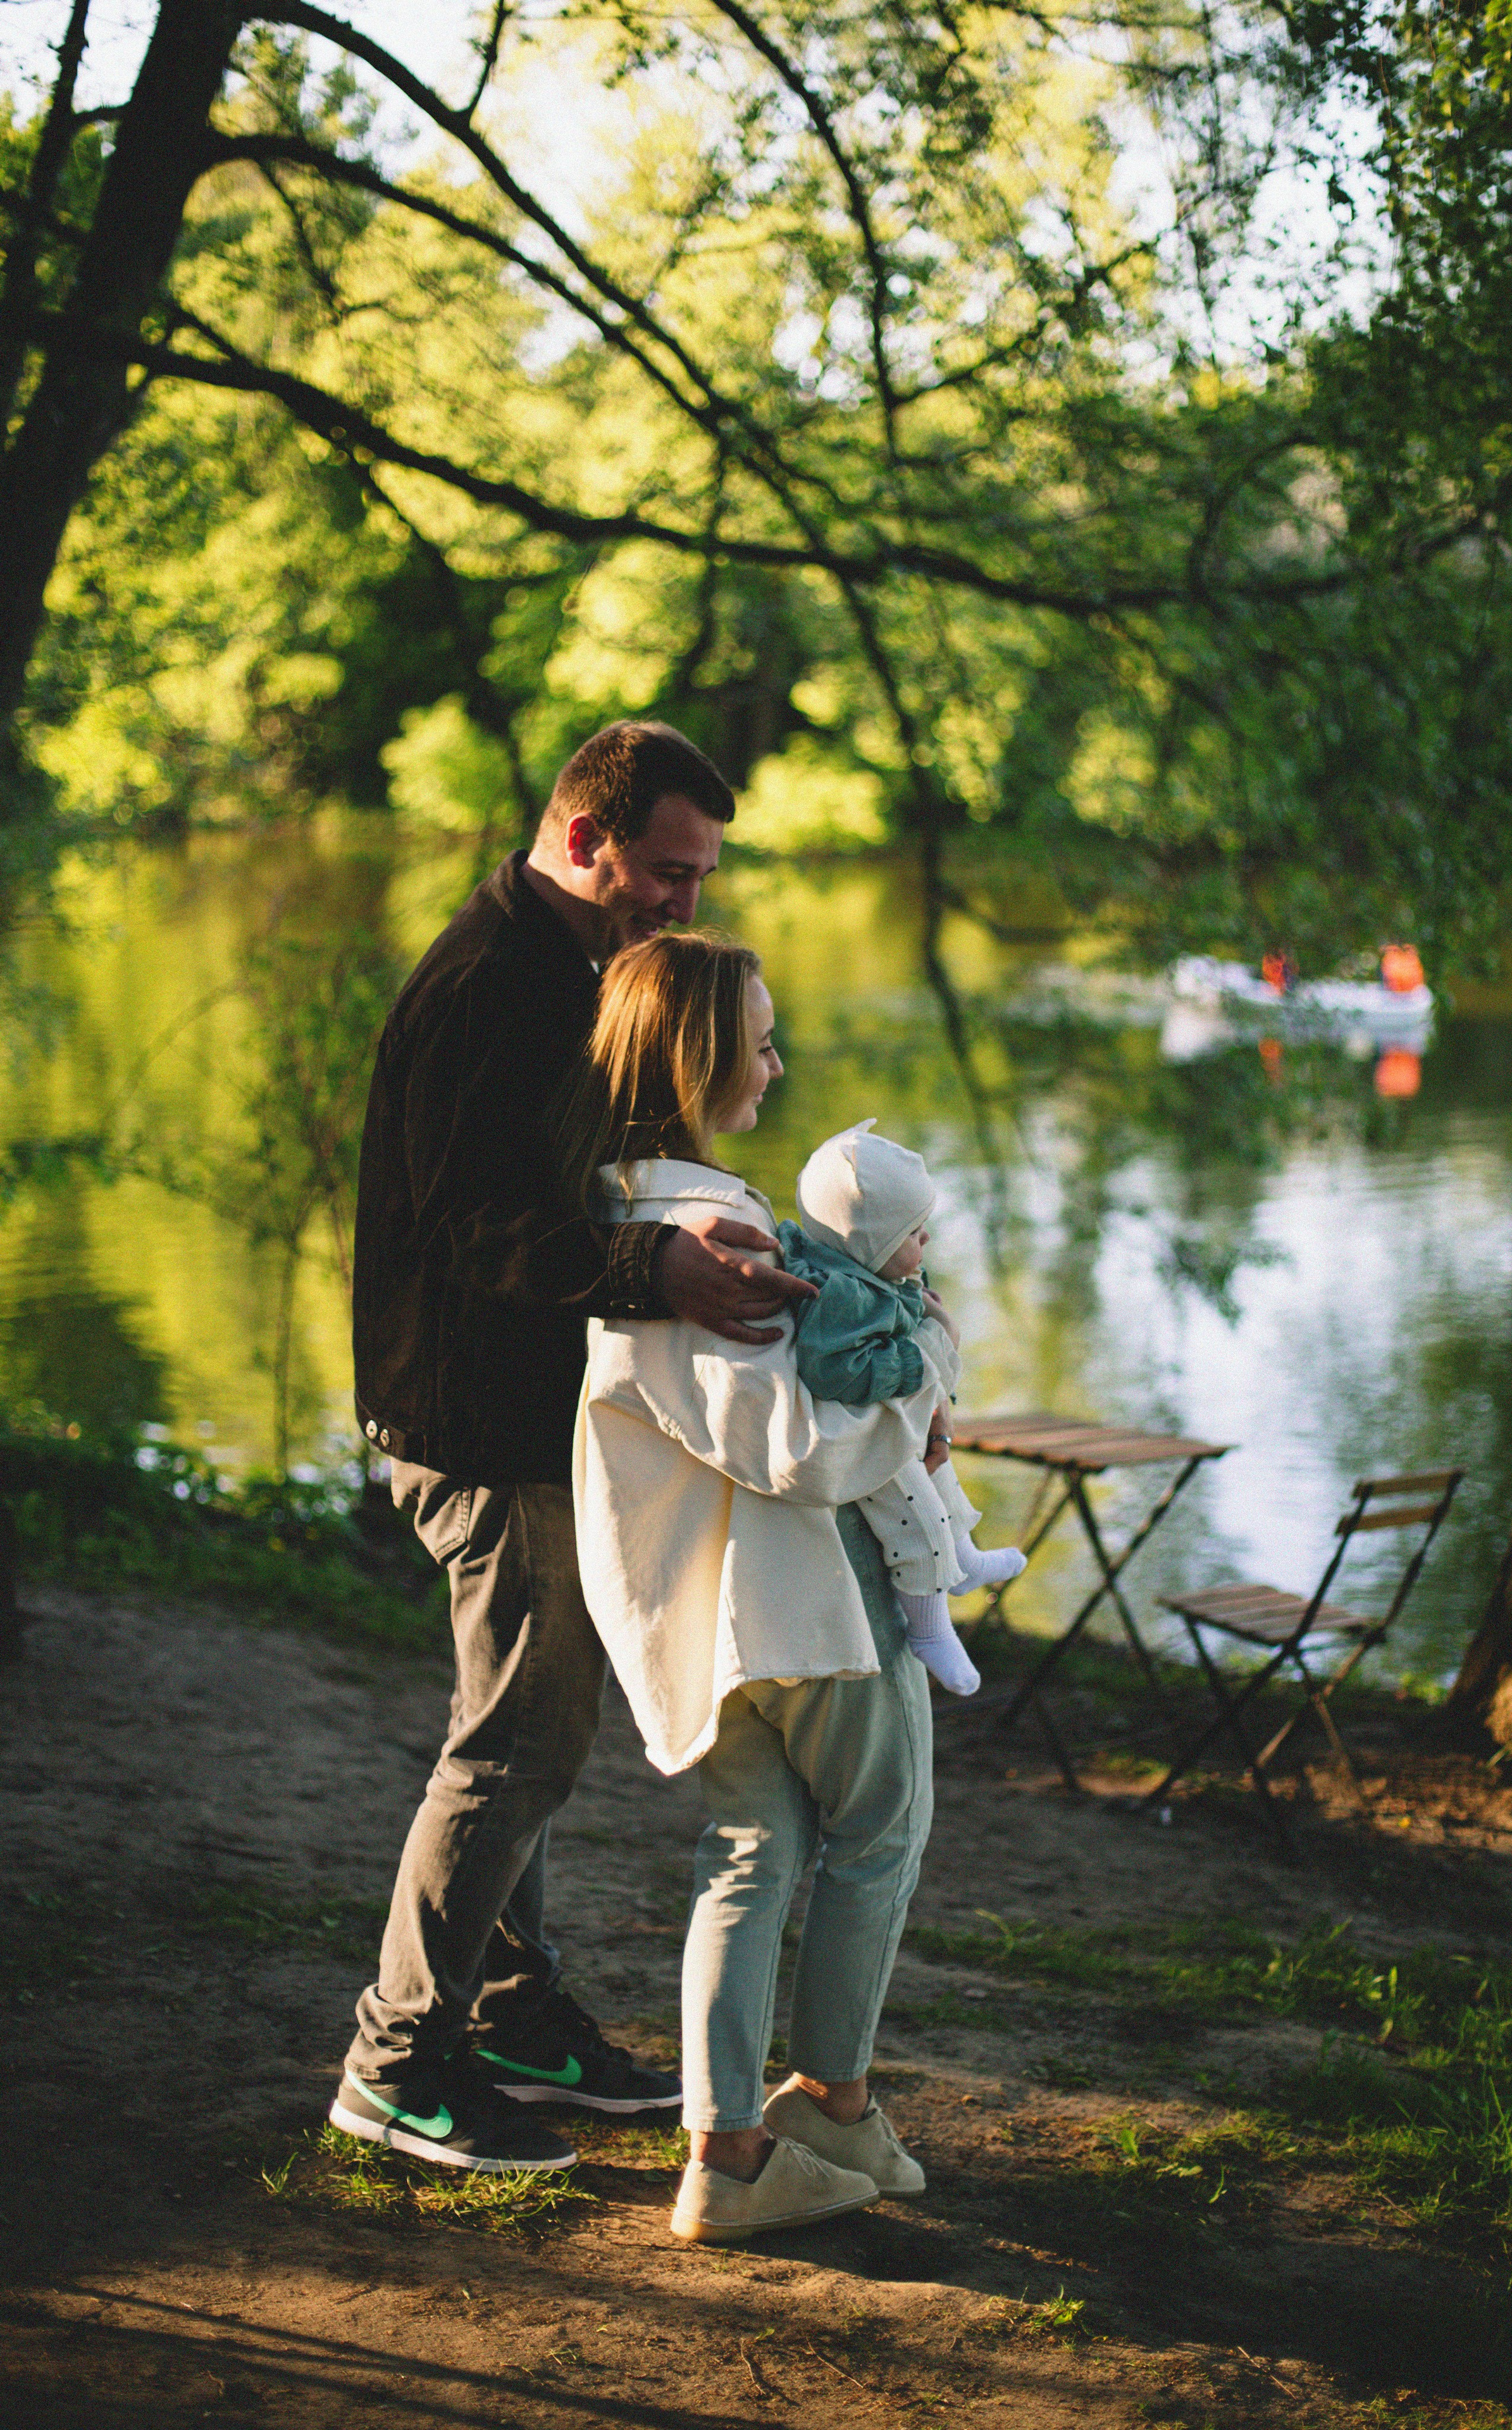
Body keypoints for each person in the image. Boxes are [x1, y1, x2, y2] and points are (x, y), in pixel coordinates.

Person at [330, 721, 817, 2176]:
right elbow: (472, 1226)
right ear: (584, 833)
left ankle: (516, 2015)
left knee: (519, 1724)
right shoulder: (489, 986)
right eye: (667, 871)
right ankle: (394, 2057)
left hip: (529, 1411)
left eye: (698, 876)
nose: (682, 900)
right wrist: (651, 1266)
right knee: (525, 1736)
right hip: (470, 1422)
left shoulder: (573, 967)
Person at [568, 931, 960, 2241]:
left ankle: (728, 2152)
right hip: (806, 1610)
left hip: (713, 1618)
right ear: (698, 1057)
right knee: (880, 1835)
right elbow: (787, 1448)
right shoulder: (708, 1229)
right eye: (760, 1037)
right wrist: (918, 1387)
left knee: (746, 1857)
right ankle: (832, 2107)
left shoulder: (615, 1222)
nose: (777, 1061)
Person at [778, 1118, 1027, 1698]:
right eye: (915, 1233)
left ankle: (963, 1560)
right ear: (871, 1244)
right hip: (857, 1436)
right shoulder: (842, 1297)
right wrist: (920, 1361)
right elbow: (838, 1370)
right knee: (917, 1523)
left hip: (882, 1423)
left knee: (942, 1479)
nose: (928, 1243)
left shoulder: (861, 1271)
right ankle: (930, 1630)